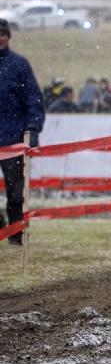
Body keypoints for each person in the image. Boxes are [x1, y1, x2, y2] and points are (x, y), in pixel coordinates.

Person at [0, 17, 44, 245]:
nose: (0, 38)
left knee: (15, 193)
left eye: (3, 34)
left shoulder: (19, 65)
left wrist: (33, 129)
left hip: (14, 140)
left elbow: (34, 99)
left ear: (8, 36)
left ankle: (15, 233)